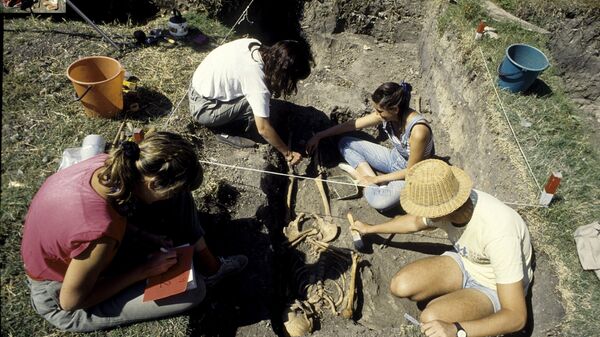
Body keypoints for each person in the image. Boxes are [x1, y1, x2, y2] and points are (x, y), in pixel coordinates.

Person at [21, 131, 248, 332]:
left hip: (83, 252)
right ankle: (204, 273)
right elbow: (70, 301)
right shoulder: (101, 234)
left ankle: (210, 265)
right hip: (59, 294)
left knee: (180, 193)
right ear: (153, 184)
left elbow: (97, 217)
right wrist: (143, 270)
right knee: (193, 293)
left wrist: (142, 235)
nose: (169, 197)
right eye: (166, 192)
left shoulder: (109, 165)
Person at [350, 159, 533, 337]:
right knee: (401, 285)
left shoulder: (498, 233)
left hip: (493, 287)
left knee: (430, 318)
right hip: (467, 260)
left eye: (423, 209)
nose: (419, 213)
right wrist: (370, 228)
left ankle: (470, 312)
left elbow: (516, 317)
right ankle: (459, 302)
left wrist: (457, 330)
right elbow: (414, 222)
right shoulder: (449, 201)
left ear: (442, 210)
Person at [306, 81, 435, 212]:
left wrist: (376, 178)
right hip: (394, 159)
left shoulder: (418, 131)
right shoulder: (390, 115)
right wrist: (320, 135)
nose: (376, 114)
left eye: (379, 111)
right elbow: (352, 125)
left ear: (395, 109)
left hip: (412, 173)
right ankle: (370, 182)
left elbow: (411, 171)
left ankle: (367, 181)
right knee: (345, 143)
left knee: (380, 203)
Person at [189, 38, 313, 165]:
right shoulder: (256, 82)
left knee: (261, 101)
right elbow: (263, 128)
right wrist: (288, 154)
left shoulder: (255, 45)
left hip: (198, 85)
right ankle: (227, 131)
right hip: (204, 108)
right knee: (255, 105)